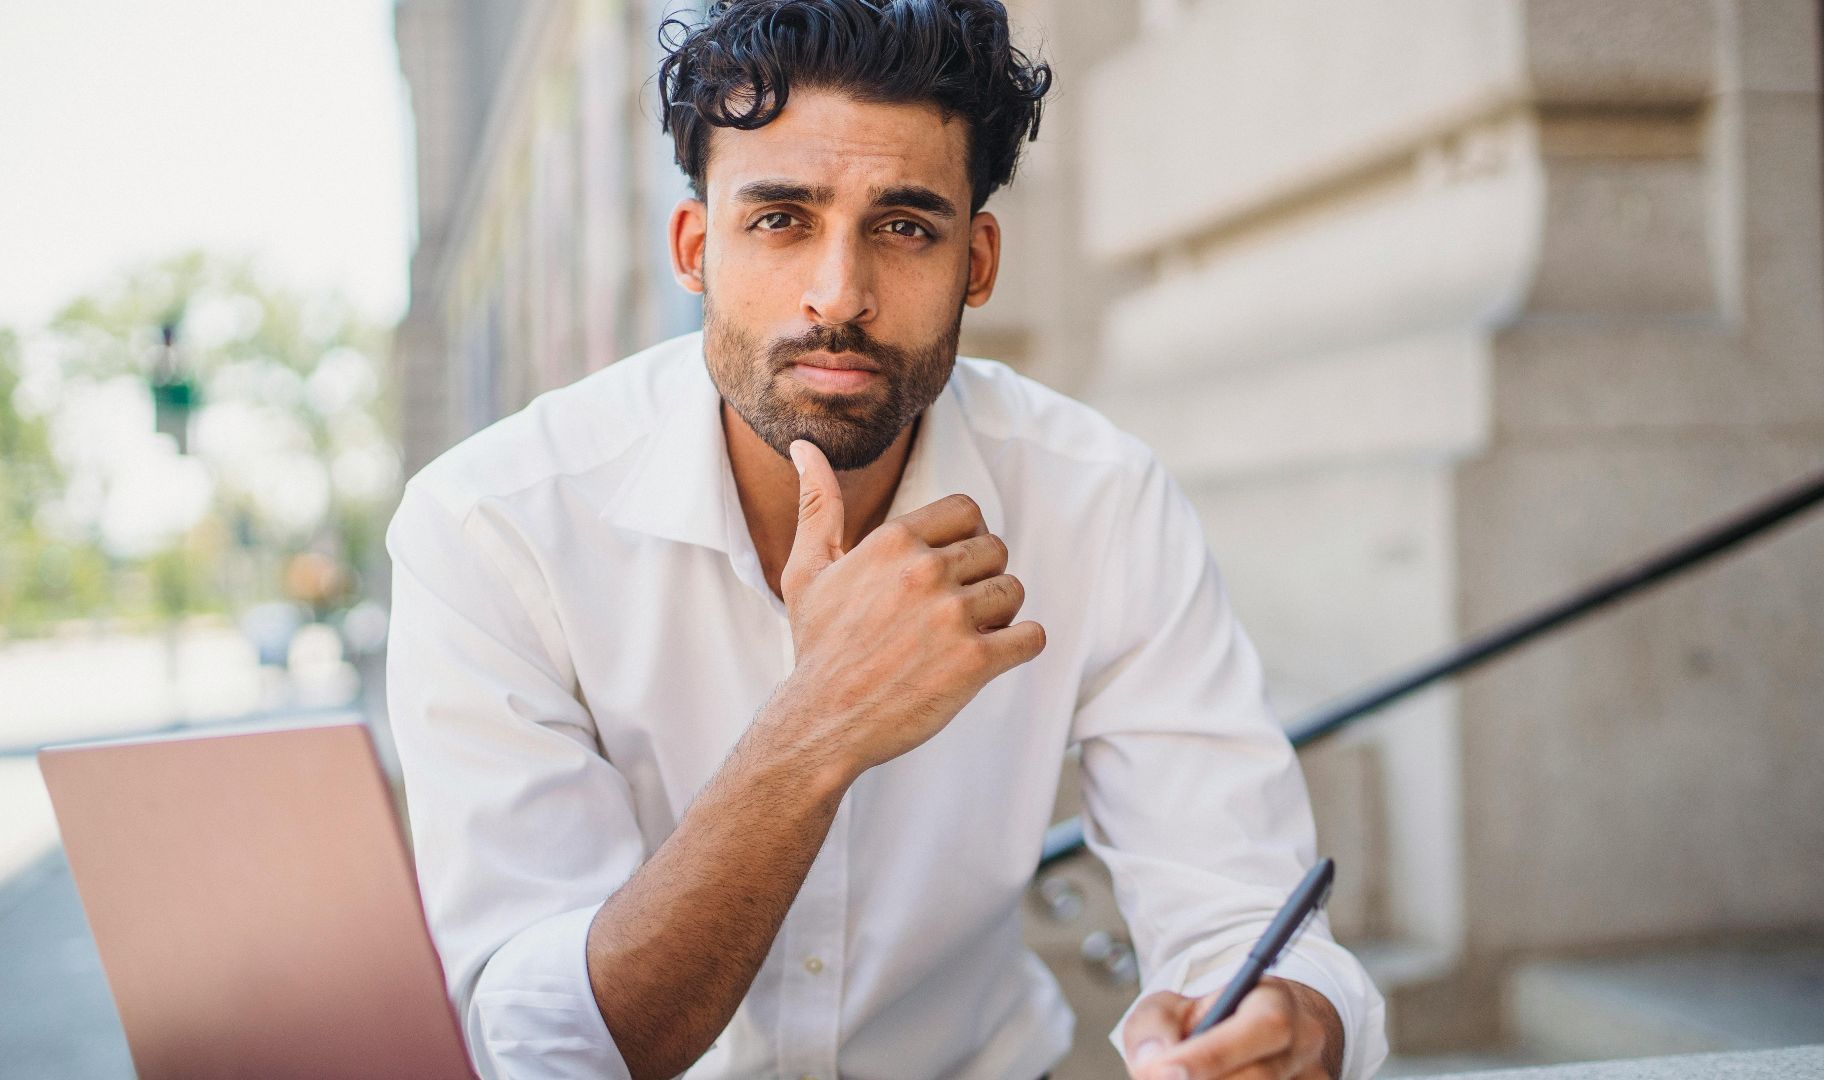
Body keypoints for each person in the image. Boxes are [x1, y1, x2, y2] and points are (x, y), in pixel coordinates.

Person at [384, 2, 1388, 1078]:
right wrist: (817, 725)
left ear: (979, 261)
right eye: (780, 219)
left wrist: (1285, 1024)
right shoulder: (493, 527)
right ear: (695, 247)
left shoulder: (1095, 497)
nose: (840, 296)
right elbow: (550, 1046)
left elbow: (1235, 898)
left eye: (905, 226)